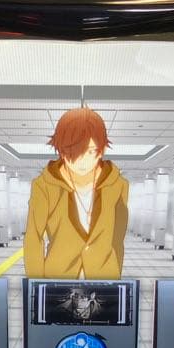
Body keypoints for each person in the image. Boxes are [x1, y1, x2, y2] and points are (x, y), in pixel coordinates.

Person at [24, 107, 129, 279]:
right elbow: (33, 238)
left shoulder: (118, 185)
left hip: (103, 276)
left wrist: (114, 275)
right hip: (58, 275)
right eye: (73, 152)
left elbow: (117, 239)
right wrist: (37, 283)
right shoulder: (44, 186)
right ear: (61, 151)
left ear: (102, 150)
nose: (82, 161)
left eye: (91, 151)